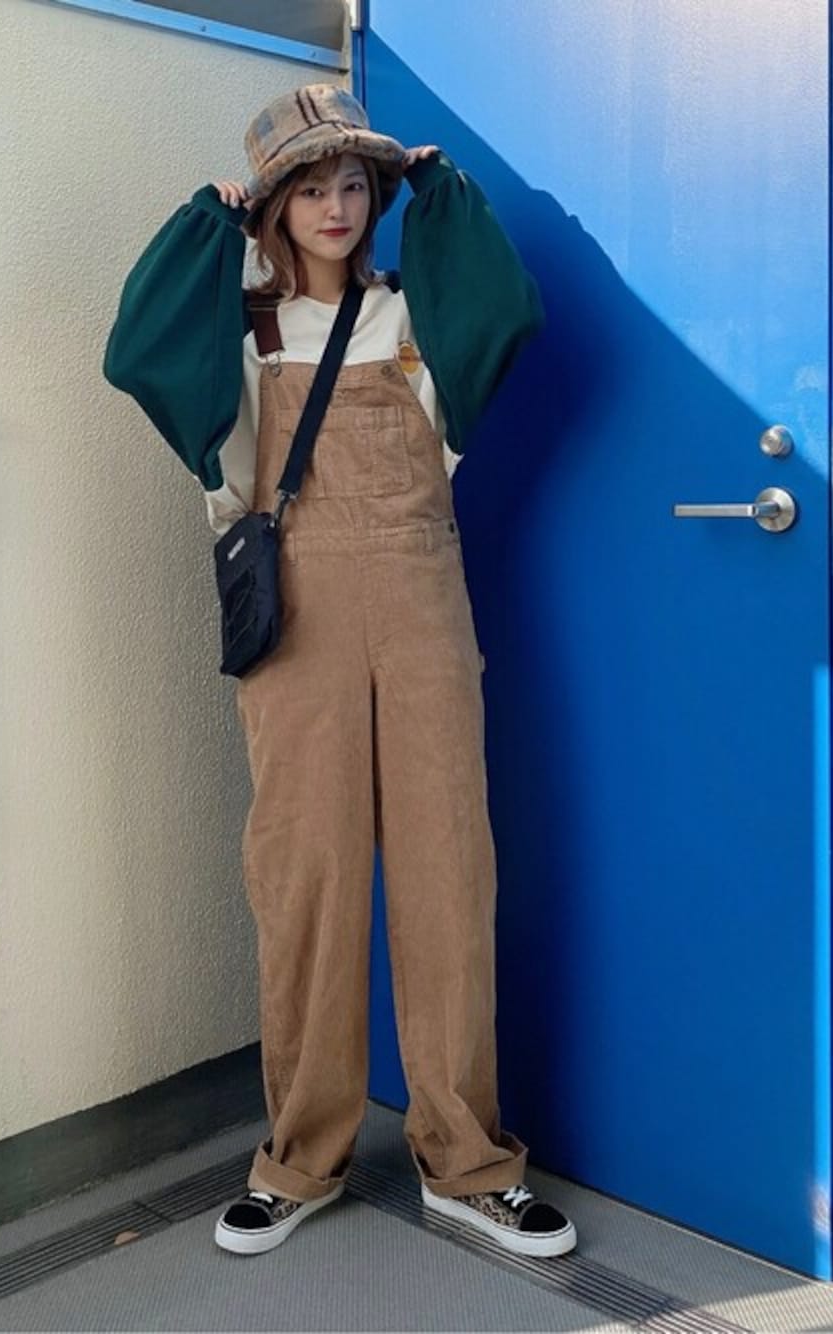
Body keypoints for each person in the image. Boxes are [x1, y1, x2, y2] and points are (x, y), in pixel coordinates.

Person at [103, 83, 577, 1261]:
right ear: (272, 206)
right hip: (296, 626)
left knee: (448, 875)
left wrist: (443, 192)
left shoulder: (415, 319)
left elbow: (507, 309)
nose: (335, 204)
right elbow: (134, 353)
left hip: (422, 612)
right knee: (306, 883)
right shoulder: (240, 338)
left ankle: (469, 1163)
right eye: (308, 185)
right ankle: (299, 1159)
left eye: (354, 182)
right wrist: (204, 226)